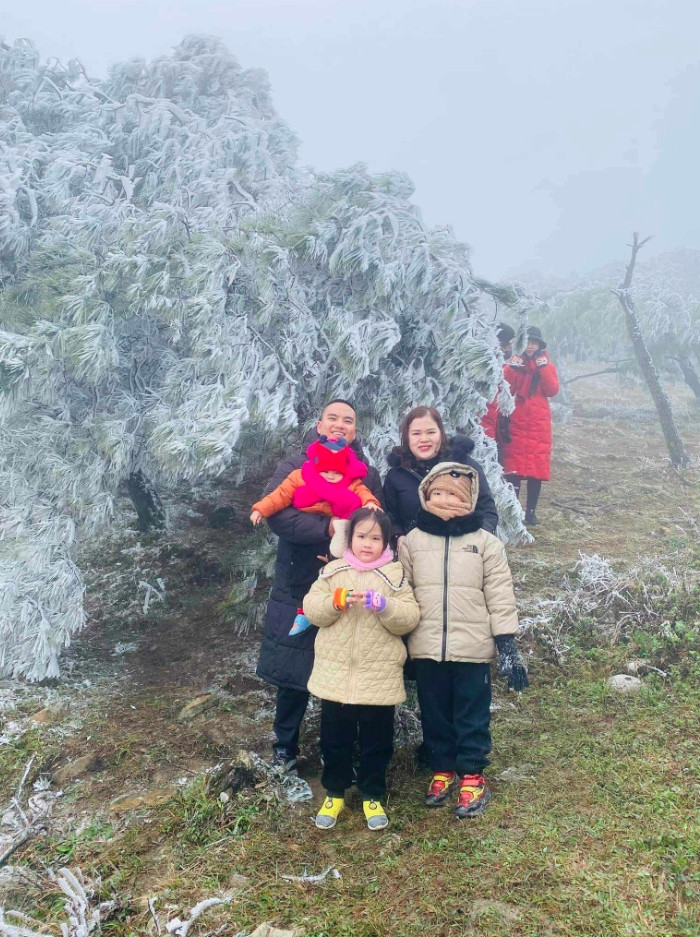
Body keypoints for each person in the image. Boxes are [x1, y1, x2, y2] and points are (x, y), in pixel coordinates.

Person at [398, 442, 529, 819]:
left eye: (454, 494)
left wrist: (507, 646)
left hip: (472, 646)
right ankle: (442, 768)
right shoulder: (413, 542)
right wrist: (400, 642)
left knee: (472, 713)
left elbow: (500, 595)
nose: (445, 499)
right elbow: (401, 592)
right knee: (435, 712)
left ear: (470, 499)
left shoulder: (486, 544)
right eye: (437, 492)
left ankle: (472, 773)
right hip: (425, 647)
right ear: (425, 495)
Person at [256, 400, 384, 775]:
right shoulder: (296, 466)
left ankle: (338, 747)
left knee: (343, 662)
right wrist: (326, 529)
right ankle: (285, 745)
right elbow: (276, 514)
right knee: (293, 666)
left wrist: (351, 553)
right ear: (319, 425)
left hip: (347, 579)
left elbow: (375, 522)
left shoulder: (366, 474)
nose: (339, 425)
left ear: (355, 431)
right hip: (298, 577)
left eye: (348, 420)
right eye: (333, 418)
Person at [303, 508, 420, 831]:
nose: (367, 544)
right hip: (336, 674)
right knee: (334, 737)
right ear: (349, 538)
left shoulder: (394, 576)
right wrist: (335, 602)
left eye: (375, 538)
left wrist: (387, 607)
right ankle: (335, 792)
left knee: (376, 740)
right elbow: (313, 609)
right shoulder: (333, 572)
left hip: (377, 677)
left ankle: (372, 793)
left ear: (385, 543)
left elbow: (410, 618)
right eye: (361, 537)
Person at [383, 405, 499, 547]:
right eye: (416, 433)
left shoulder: (463, 467)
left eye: (431, 432)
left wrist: (478, 542)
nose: (424, 439)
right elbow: (390, 517)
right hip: (417, 554)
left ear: (441, 433)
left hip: (461, 553)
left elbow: (487, 510)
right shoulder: (397, 475)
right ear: (407, 437)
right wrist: (398, 537)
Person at [250, 435, 380, 558]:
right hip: (306, 529)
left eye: (336, 472)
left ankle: (343, 551)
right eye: (326, 471)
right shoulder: (300, 476)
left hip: (341, 521)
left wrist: (370, 502)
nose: (330, 476)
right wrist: (260, 509)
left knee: (350, 517)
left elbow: (363, 492)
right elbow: (280, 495)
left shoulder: (351, 482)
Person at [501, 326, 559, 526]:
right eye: (526, 342)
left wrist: (543, 368)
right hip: (516, 419)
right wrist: (511, 368)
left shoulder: (547, 366)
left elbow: (552, 390)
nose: (530, 346)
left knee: (537, 469)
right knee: (514, 467)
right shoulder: (515, 363)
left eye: (533, 342)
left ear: (539, 345)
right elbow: (506, 388)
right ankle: (515, 511)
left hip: (538, 423)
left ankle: (531, 512)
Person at [481, 322, 515, 445]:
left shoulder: (501, 362)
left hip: (493, 418)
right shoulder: (487, 363)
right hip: (485, 419)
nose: (511, 347)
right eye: (509, 343)